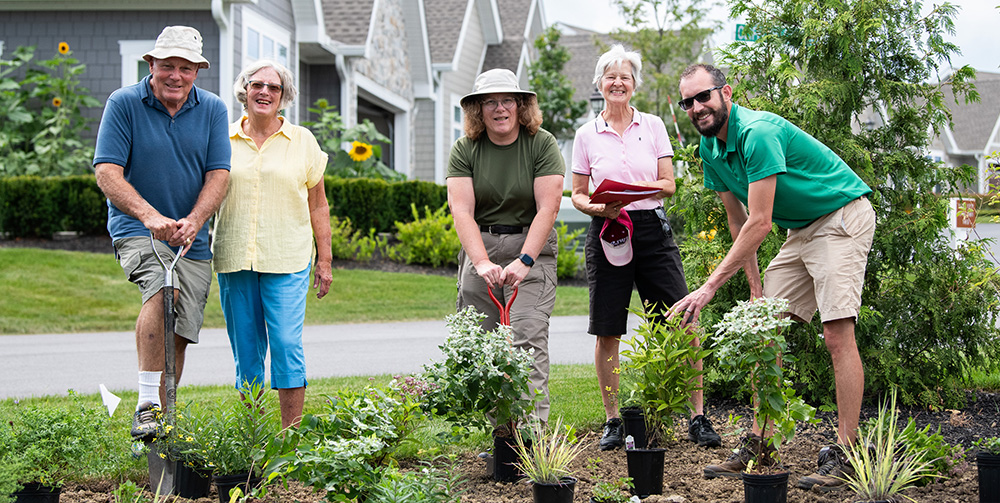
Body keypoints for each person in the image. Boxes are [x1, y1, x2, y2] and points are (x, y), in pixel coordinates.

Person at [673, 64, 875, 491]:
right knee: (762, 331)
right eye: (687, 102)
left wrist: (710, 287)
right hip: (800, 229)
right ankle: (762, 441)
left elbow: (760, 222)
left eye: (703, 96)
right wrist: (753, 285)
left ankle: (848, 451)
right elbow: (738, 219)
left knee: (837, 333)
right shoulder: (710, 149)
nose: (696, 107)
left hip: (840, 217)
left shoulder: (757, 134)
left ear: (726, 92)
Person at [571, 45, 721, 451]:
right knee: (607, 329)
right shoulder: (586, 134)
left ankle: (697, 417)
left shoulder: (653, 125)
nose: (618, 82)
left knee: (682, 321)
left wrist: (637, 190)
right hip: (607, 229)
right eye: (610, 76)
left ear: (634, 84)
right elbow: (578, 195)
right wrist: (601, 206)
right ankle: (613, 421)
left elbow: (668, 183)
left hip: (652, 229)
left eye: (625, 76)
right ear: (600, 83)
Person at [93, 26, 231, 440]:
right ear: (151, 65)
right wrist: (151, 217)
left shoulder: (212, 109)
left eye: (185, 68)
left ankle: (166, 426)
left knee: (182, 328)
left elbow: (219, 174)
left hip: (190, 237)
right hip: (138, 229)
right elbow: (107, 173)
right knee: (162, 289)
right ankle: (146, 405)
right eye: (167, 66)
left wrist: (195, 219)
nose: (176, 75)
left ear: (197, 71)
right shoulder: (123, 103)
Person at [212, 60, 332, 429]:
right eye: (256, 84)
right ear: (244, 91)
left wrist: (325, 260)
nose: (264, 91)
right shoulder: (222, 138)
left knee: (285, 345)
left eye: (273, 87)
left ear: (284, 97)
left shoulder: (303, 141)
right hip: (234, 257)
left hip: (288, 258)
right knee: (246, 353)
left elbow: (318, 204)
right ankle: (253, 436)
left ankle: (289, 437)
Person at [446, 68, 565, 424]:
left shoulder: (541, 143)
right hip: (481, 248)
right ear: (478, 110)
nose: (500, 109)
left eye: (507, 100)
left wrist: (525, 260)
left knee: (526, 337)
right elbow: (461, 210)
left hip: (531, 249)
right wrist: (480, 263)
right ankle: (501, 437)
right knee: (484, 346)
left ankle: (532, 438)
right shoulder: (465, 148)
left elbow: (549, 206)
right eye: (490, 102)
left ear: (521, 105)